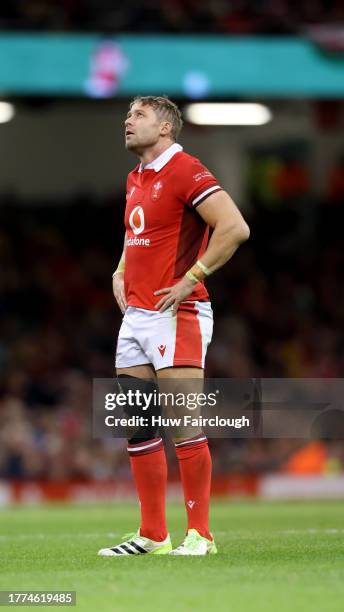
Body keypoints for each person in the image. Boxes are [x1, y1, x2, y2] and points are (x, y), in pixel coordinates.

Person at [98, 96, 249, 557]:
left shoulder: (185, 169)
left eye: (138, 115)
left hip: (176, 315)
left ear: (165, 128)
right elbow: (136, 233)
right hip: (137, 316)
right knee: (139, 426)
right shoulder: (135, 178)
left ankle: (200, 534)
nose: (128, 120)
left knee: (184, 423)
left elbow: (234, 227)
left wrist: (192, 279)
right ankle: (153, 535)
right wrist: (120, 270)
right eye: (128, 114)